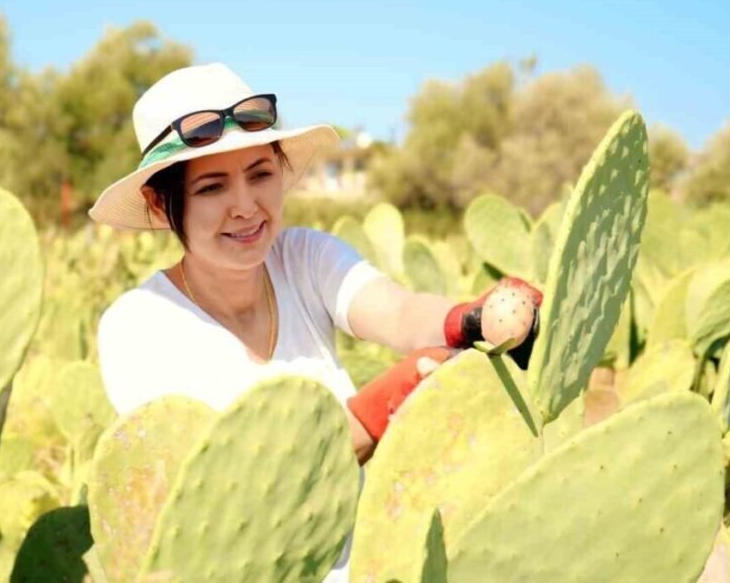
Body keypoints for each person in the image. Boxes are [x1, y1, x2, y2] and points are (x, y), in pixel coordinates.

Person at [89, 63, 541, 580]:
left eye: (260, 174)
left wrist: (471, 318)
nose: (245, 207)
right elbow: (237, 486)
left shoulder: (303, 257)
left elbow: (397, 312)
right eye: (212, 187)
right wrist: (382, 407)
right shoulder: (139, 327)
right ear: (159, 201)